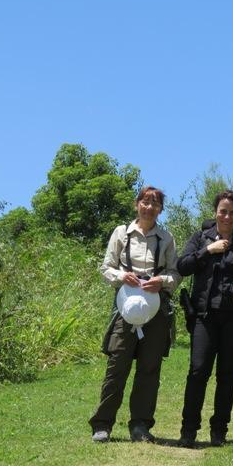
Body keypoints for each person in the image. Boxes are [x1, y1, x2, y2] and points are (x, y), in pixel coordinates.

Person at [89, 186, 180, 443]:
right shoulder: (121, 233)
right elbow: (106, 267)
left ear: (161, 209)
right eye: (145, 202)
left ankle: (140, 426)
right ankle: (102, 424)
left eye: (155, 204)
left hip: (156, 311)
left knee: (149, 370)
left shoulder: (166, 238)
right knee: (117, 366)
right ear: (136, 204)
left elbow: (176, 273)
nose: (149, 207)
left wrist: (161, 281)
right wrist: (122, 276)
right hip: (124, 310)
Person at [176, 191, 233, 448]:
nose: (227, 217)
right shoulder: (200, 238)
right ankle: (188, 431)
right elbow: (183, 266)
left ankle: (219, 432)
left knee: (227, 375)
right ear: (215, 211)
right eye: (223, 211)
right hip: (204, 317)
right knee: (198, 371)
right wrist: (207, 251)